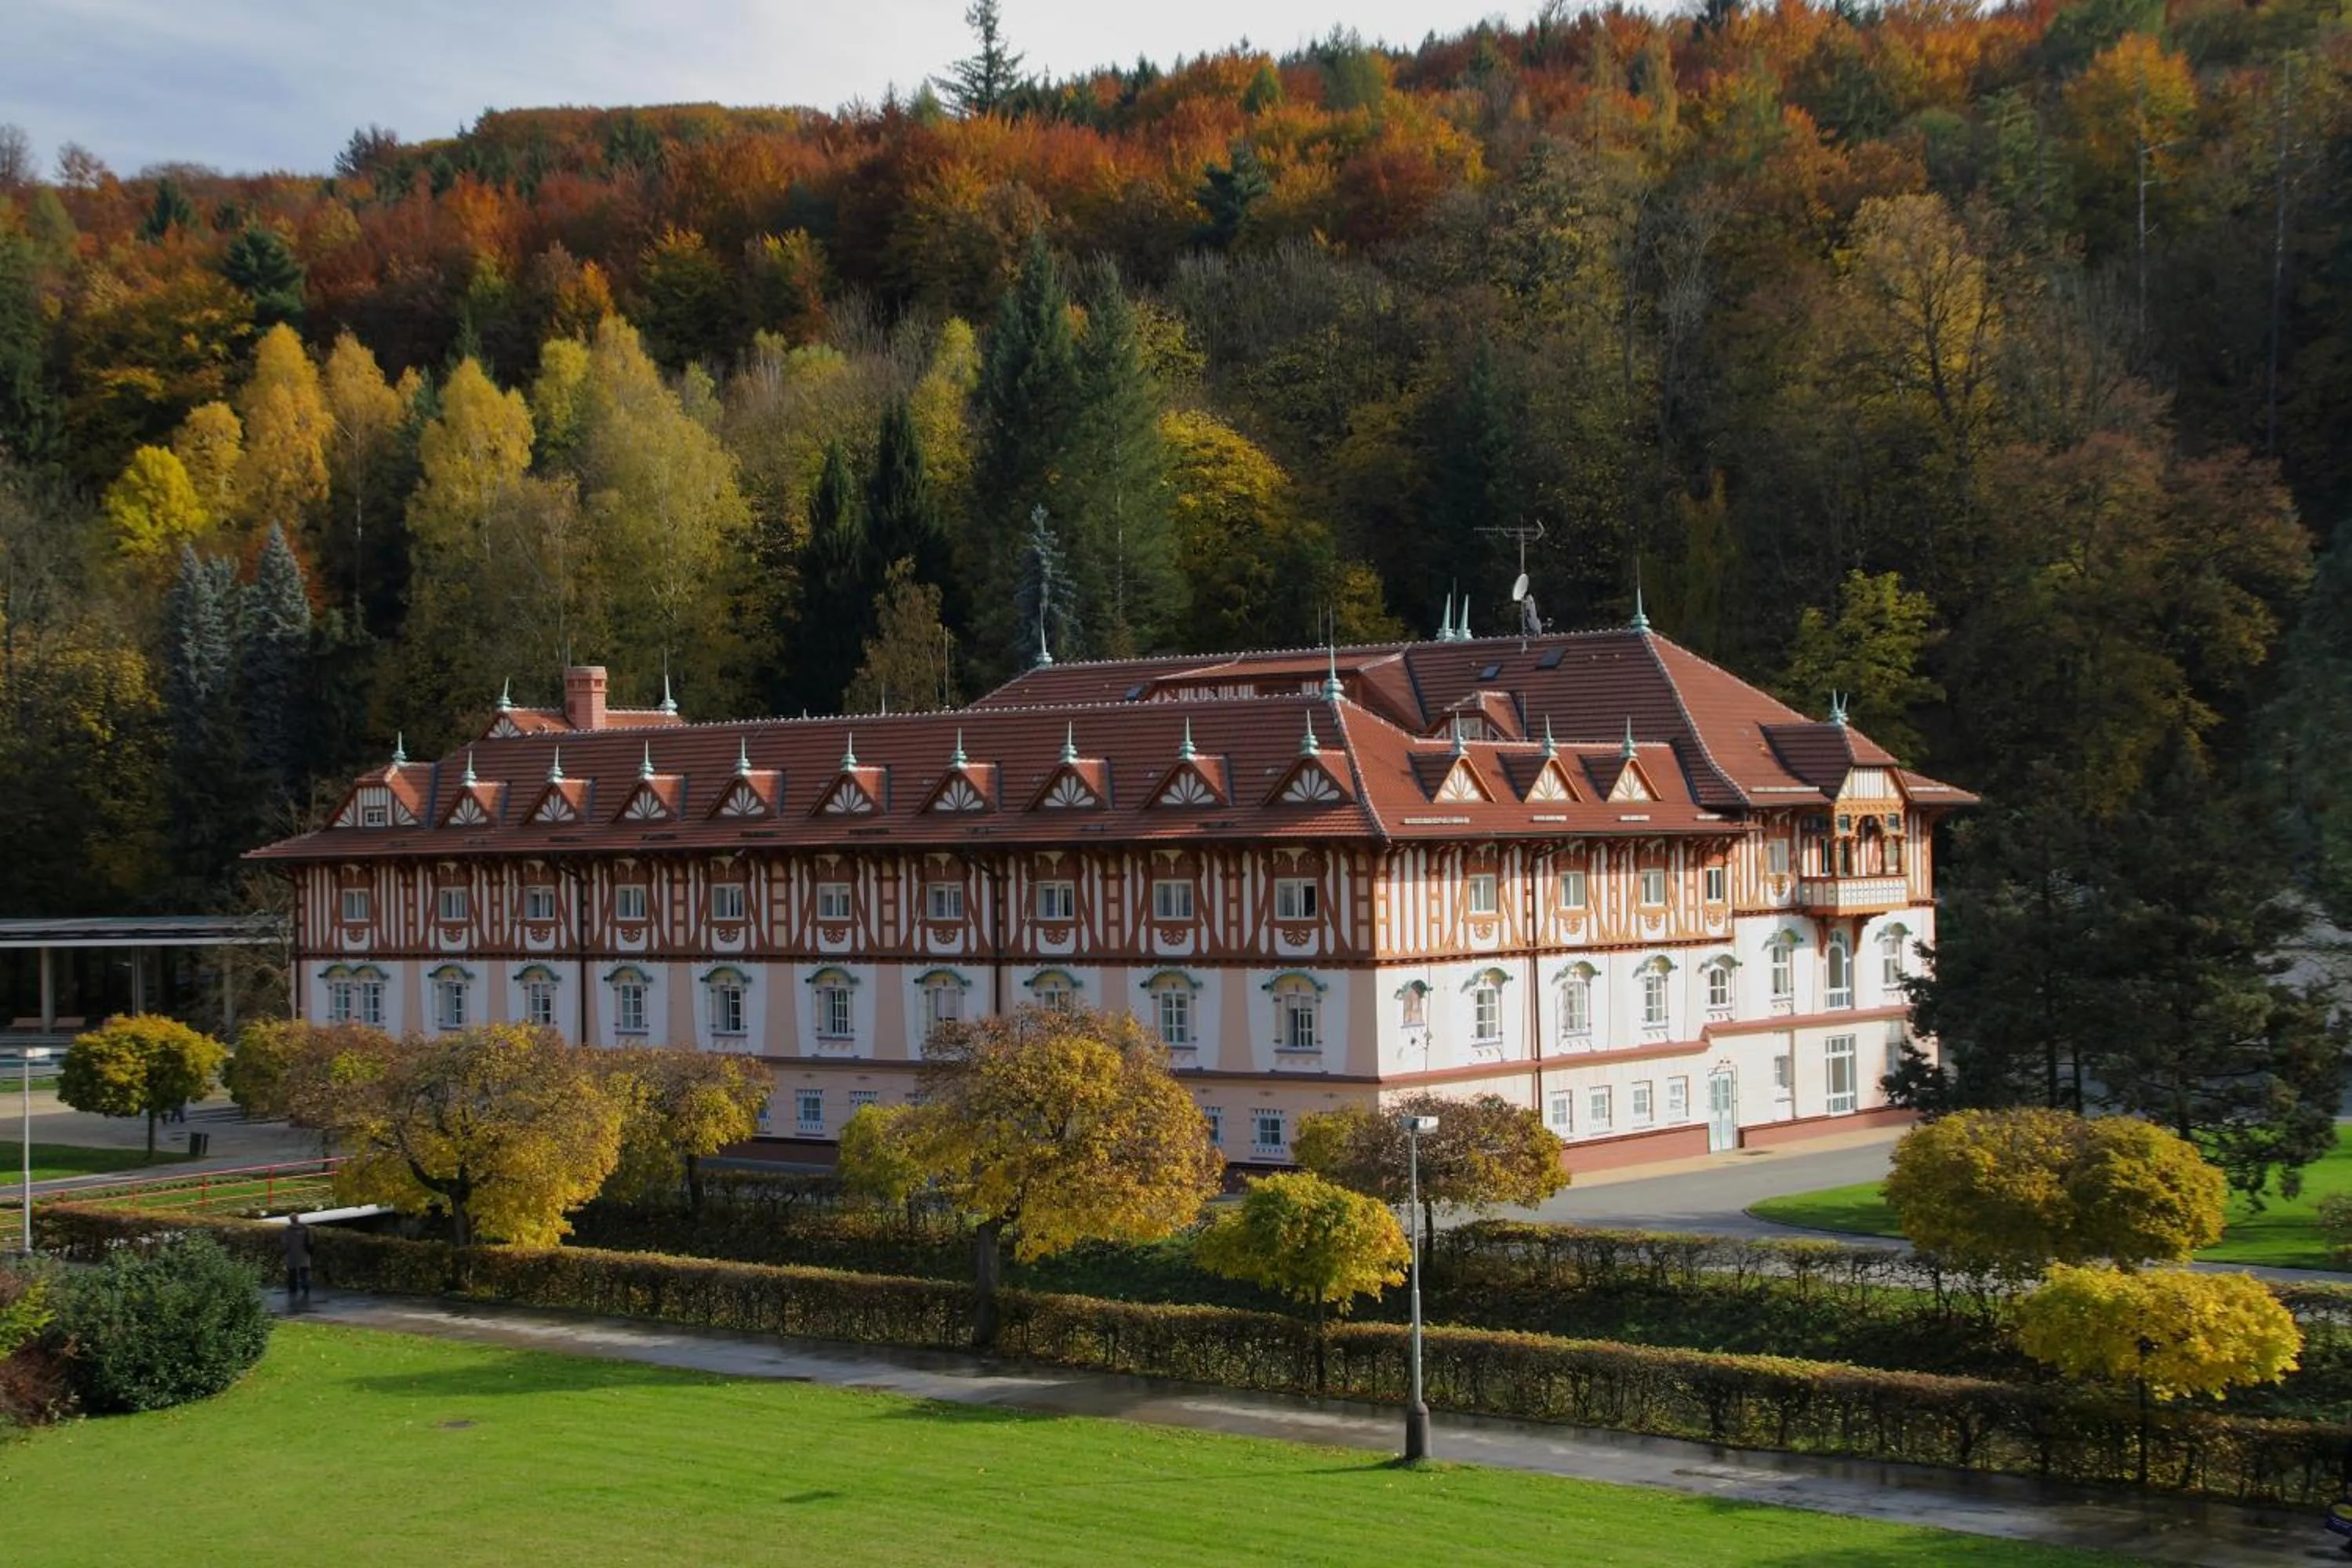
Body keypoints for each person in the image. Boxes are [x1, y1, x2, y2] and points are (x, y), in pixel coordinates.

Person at [282, 1214, 314, 1310]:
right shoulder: (306, 1229)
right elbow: (311, 1242)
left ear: (290, 1220)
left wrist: (284, 1252)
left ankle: (293, 1290)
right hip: (304, 1254)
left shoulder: (287, 1230)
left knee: (292, 1273)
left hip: (292, 1255)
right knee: (304, 1272)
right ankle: (306, 1287)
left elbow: (285, 1243)